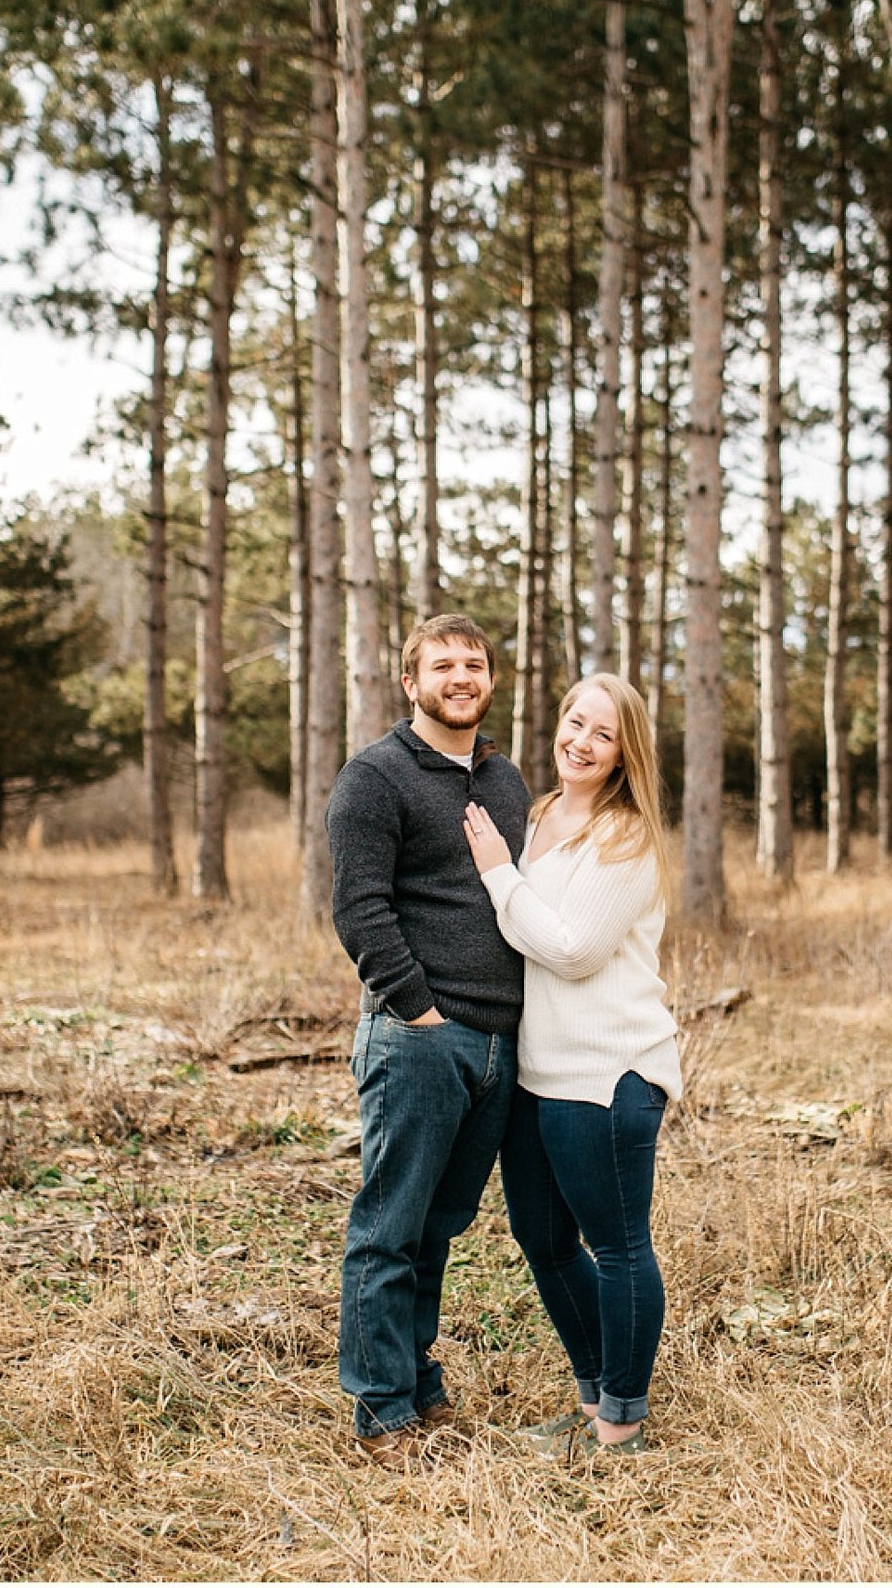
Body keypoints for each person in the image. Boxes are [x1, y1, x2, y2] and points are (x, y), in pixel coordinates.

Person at [327, 613, 532, 1467]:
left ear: (489, 681)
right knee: (389, 1223)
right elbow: (360, 909)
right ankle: (380, 1409)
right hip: (421, 1041)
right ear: (410, 682)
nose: (460, 676)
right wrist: (421, 1012)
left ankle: (414, 1378)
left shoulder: (504, 776)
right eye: (441, 664)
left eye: (473, 663)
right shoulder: (375, 777)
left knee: (438, 1227)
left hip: (497, 1045)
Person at [460, 672, 678, 1458]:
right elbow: (526, 923)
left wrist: (496, 874)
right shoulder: (540, 813)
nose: (581, 743)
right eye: (575, 723)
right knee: (543, 1239)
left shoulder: (628, 837)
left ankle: (622, 1424)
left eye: (603, 734)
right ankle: (592, 1401)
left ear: (625, 754)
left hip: (607, 1069)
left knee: (618, 1245)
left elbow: (576, 949)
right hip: (536, 1068)